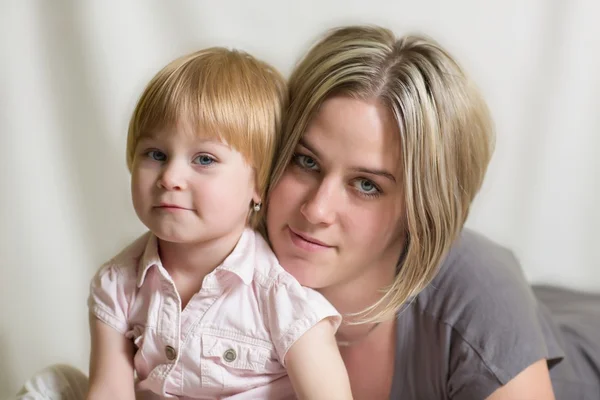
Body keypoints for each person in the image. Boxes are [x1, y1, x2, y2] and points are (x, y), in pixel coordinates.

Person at [264, 25, 600, 399]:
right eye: (305, 161)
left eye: (366, 185)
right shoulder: (222, 249)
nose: (316, 209)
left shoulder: (480, 305)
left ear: (421, 211)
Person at [18, 47, 353, 400]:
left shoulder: (282, 298)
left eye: (204, 159)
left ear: (259, 184)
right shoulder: (118, 282)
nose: (170, 177)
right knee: (53, 385)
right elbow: (110, 390)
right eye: (156, 155)